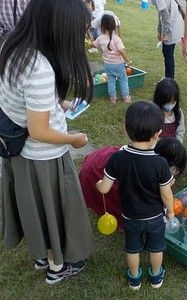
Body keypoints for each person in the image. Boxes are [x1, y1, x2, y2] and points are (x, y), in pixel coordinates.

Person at [0, 0, 94, 284]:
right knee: (53, 209)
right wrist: (73, 139)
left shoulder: (11, 46)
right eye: (77, 33)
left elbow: (22, 97)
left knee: (35, 207)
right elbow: (39, 130)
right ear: (58, 29)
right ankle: (58, 265)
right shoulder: (39, 68)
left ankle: (42, 254)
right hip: (44, 155)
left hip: (19, 152)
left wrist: (56, 103)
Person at [96, 101, 175, 290]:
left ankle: (134, 278)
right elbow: (166, 192)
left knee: (132, 248)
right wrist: (170, 211)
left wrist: (98, 184)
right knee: (157, 247)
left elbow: (104, 188)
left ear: (125, 128)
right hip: (155, 216)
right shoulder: (160, 163)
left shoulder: (117, 158)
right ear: (158, 134)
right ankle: (156, 277)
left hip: (130, 216)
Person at [79, 136, 187, 227]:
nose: (174, 173)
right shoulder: (145, 170)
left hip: (97, 161)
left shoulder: (149, 150)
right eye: (173, 169)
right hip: (96, 174)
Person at [93, 14, 133, 104]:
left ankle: (112, 98)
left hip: (107, 65)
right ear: (114, 26)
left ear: (102, 27)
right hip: (118, 65)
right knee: (123, 80)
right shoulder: (117, 39)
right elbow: (122, 51)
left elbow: (94, 45)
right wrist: (128, 61)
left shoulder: (100, 38)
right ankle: (126, 97)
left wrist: (90, 43)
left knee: (111, 81)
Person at [150, 0, 184, 78]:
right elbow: (161, 12)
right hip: (173, 23)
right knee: (168, 52)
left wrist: (165, 33)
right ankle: (168, 78)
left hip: (172, 25)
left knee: (168, 53)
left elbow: (165, 14)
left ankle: (169, 79)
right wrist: (159, 30)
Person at [153, 77, 185, 143]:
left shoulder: (178, 113)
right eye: (166, 102)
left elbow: (180, 132)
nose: (170, 105)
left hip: (172, 148)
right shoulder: (153, 113)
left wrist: (177, 145)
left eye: (173, 102)